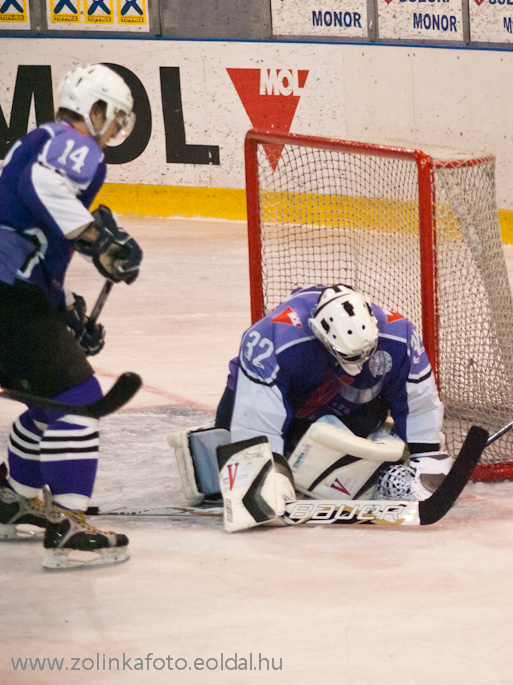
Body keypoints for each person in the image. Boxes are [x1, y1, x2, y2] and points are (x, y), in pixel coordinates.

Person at [0, 63, 143, 569]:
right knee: (80, 398)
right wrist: (96, 239)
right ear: (94, 109)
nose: (115, 131)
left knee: (49, 396)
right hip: (6, 298)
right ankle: (69, 529)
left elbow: (29, 233)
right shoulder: (72, 143)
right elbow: (40, 187)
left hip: (14, 294)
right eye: (113, 117)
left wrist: (63, 311)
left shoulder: (38, 138)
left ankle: (11, 498)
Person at [172, 284, 451, 531]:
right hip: (280, 402)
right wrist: (260, 478)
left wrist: (426, 459)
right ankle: (287, 460)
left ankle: (358, 470)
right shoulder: (272, 338)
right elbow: (256, 421)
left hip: (346, 407)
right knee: (219, 479)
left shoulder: (399, 332)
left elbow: (419, 402)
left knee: (350, 462)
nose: (358, 365)